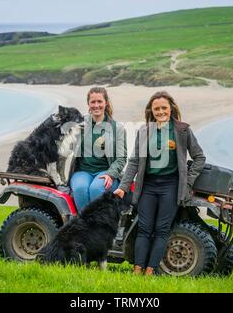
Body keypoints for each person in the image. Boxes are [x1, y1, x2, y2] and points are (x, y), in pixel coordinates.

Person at [113, 91, 206, 276]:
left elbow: (199, 157)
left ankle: (151, 270)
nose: (161, 111)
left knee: (162, 230)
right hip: (147, 186)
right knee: (144, 229)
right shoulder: (144, 131)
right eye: (157, 109)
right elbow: (133, 162)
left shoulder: (183, 130)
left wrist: (187, 182)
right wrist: (123, 187)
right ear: (151, 111)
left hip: (170, 187)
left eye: (164, 108)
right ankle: (137, 270)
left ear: (171, 108)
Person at [70, 87, 127, 212]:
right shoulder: (80, 124)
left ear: (106, 103)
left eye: (99, 101)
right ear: (88, 104)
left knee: (96, 189)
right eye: (93, 102)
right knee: (80, 189)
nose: (96, 105)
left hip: (105, 171)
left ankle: (99, 227)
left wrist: (111, 174)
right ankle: (84, 227)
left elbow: (121, 158)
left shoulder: (117, 128)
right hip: (82, 171)